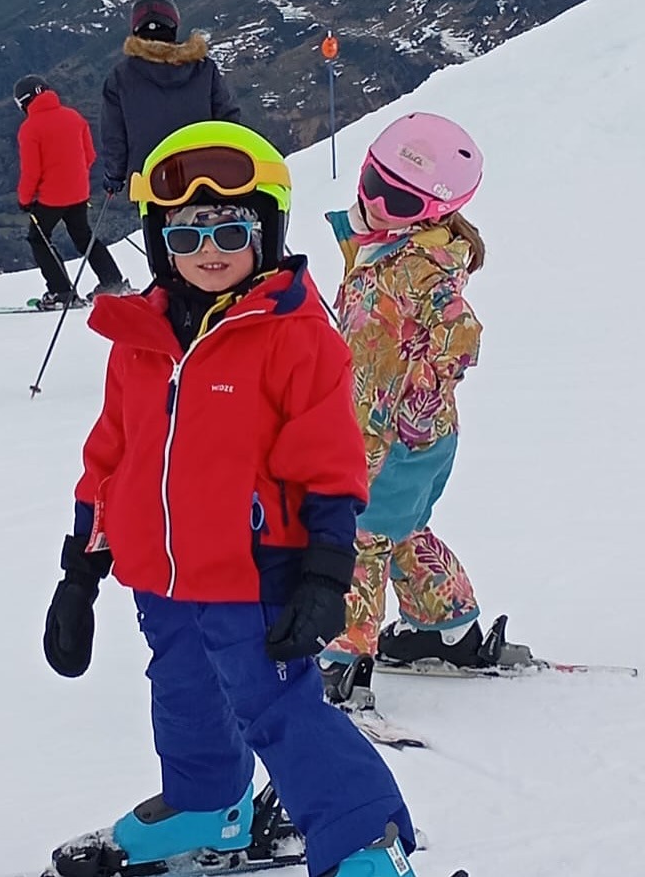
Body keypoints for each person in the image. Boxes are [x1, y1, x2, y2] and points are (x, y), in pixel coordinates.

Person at [42, 120, 418, 877]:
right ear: (158, 243)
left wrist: (322, 572)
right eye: (185, 236)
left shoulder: (295, 338)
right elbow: (110, 454)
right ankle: (206, 804)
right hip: (163, 577)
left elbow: (331, 465)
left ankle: (364, 846)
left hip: (256, 577)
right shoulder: (141, 340)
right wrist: (80, 571)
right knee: (184, 696)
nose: (208, 251)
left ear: (267, 231)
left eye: (231, 229)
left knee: (282, 714)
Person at [320, 112, 488, 680]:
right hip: (424, 437)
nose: (378, 206)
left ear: (434, 213)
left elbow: (448, 339)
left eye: (401, 203)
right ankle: (449, 629)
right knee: (402, 529)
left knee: (355, 537)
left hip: (383, 435)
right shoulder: (397, 251)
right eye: (372, 185)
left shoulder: (408, 270)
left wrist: (359, 451)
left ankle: (340, 660)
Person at [99, 0, 240, 196]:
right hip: (205, 175)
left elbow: (114, 135)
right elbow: (228, 119)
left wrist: (114, 176)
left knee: (156, 227)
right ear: (173, 25)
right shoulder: (204, 69)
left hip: (149, 181)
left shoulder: (120, 77)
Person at [13, 74, 130, 309]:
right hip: (79, 193)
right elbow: (90, 156)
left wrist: (25, 199)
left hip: (50, 198)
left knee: (39, 238)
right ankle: (113, 282)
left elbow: (31, 172)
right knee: (84, 237)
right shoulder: (73, 117)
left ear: (24, 102)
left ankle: (61, 292)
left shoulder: (30, 128)